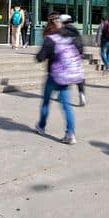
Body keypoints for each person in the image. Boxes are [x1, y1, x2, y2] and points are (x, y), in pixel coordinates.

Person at [35, 13, 83, 144]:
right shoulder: (67, 38)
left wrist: (42, 54)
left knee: (46, 102)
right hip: (66, 76)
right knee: (66, 106)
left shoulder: (50, 39)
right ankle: (70, 134)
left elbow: (40, 57)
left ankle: (41, 126)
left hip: (53, 75)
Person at [59, 14, 87, 106]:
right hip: (77, 55)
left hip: (66, 56)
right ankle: (82, 94)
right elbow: (80, 43)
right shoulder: (75, 30)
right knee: (78, 76)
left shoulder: (62, 31)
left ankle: (62, 95)